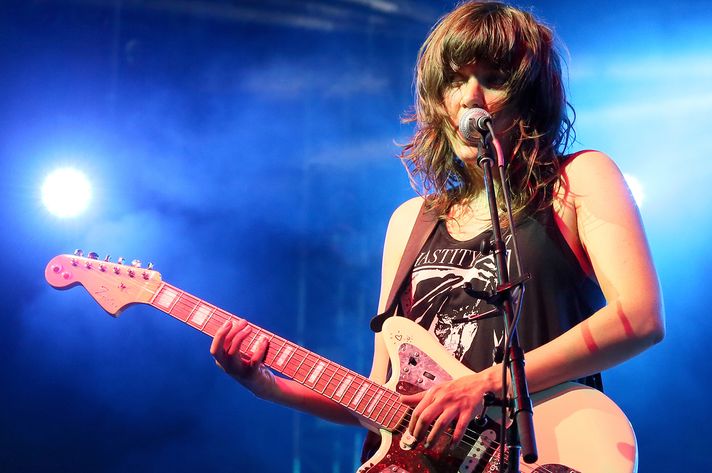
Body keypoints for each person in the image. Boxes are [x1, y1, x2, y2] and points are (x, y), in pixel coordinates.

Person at [211, 0, 664, 465]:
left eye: (493, 79)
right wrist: (269, 386)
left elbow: (640, 319)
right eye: (455, 79)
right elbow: (382, 397)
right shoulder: (411, 221)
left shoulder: (578, 179)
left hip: (545, 454)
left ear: (530, 97)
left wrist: (488, 383)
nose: (471, 97)